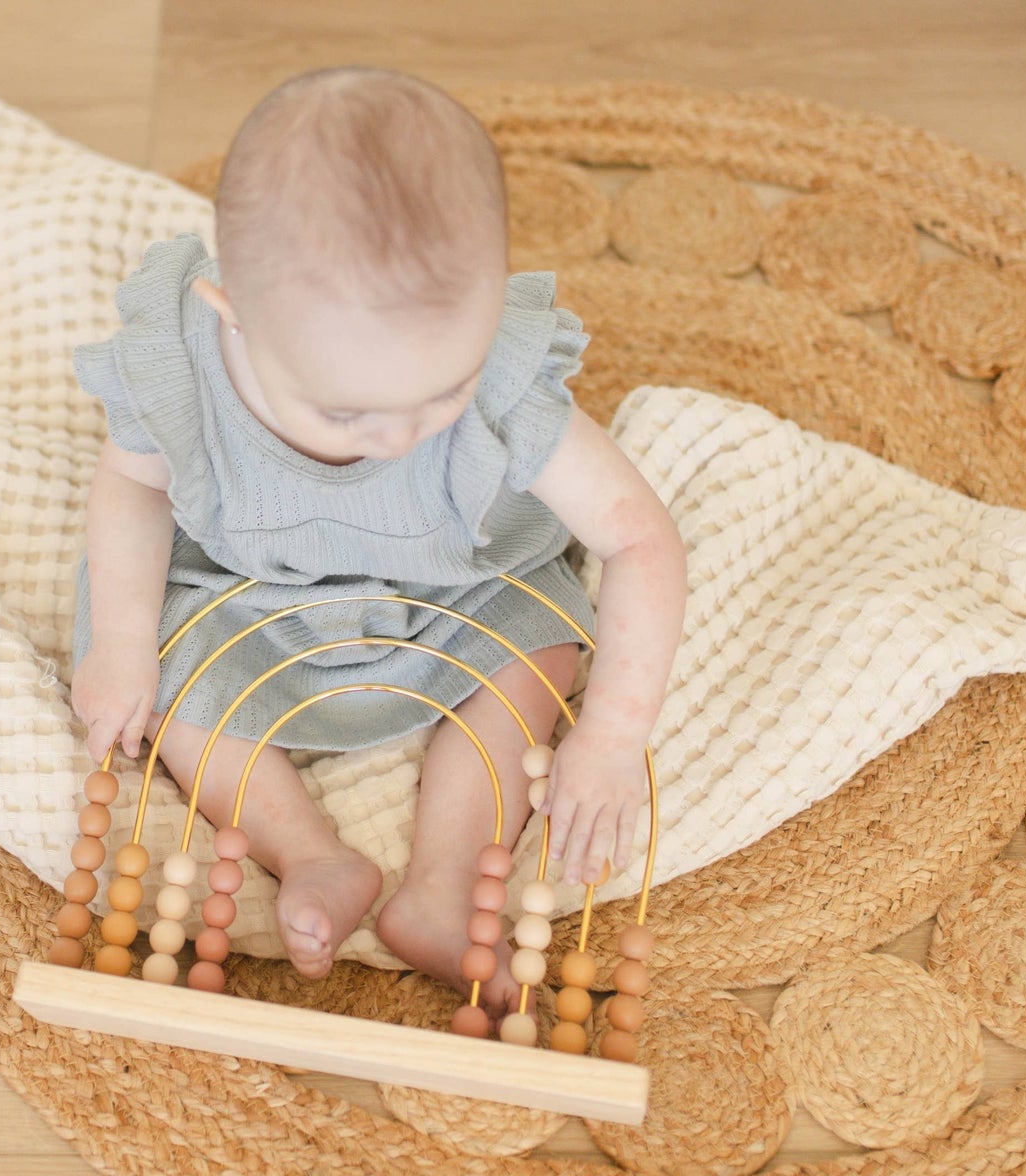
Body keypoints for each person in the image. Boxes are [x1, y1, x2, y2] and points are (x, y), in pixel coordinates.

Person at [69, 65, 687, 1018]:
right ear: (231, 309)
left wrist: (610, 735)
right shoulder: (181, 365)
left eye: (443, 392)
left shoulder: (502, 384)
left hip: (457, 593)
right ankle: (309, 854)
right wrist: (119, 644)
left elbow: (640, 539)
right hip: (252, 602)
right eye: (349, 411)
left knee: (540, 651)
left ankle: (439, 887)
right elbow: (131, 490)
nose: (402, 437)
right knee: (173, 683)